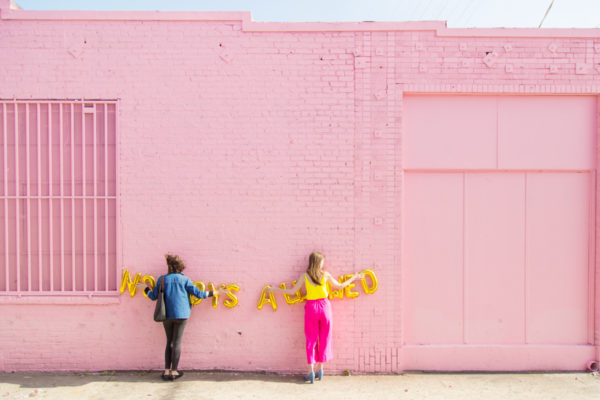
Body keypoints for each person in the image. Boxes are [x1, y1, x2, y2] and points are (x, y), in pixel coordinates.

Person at [267, 252, 364, 383]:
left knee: (311, 339)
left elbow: (292, 291)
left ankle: (311, 372)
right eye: (322, 261)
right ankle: (321, 369)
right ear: (318, 262)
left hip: (312, 307)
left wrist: (275, 290)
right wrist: (355, 277)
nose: (323, 263)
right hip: (325, 307)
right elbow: (340, 286)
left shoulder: (305, 276)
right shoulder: (326, 275)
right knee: (324, 338)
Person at [140, 254, 226, 381]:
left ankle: (166, 371)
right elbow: (200, 294)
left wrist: (145, 289)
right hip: (182, 314)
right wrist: (217, 292)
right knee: (177, 342)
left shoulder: (162, 279)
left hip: (166, 315)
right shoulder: (185, 280)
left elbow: (153, 296)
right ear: (180, 268)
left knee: (169, 342)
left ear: (169, 267)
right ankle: (174, 371)